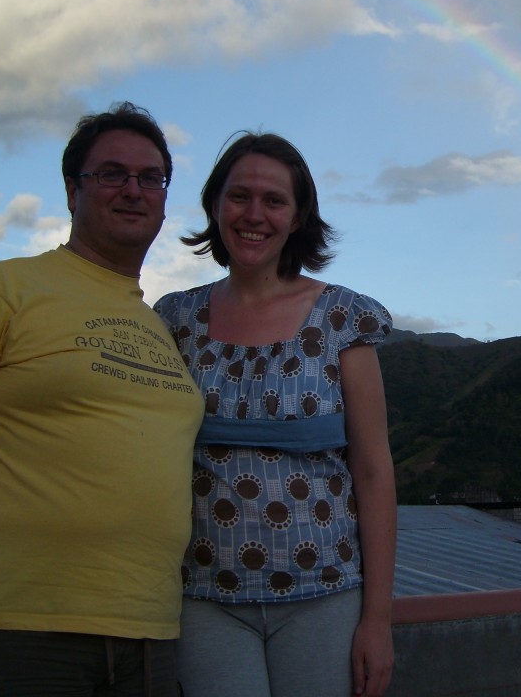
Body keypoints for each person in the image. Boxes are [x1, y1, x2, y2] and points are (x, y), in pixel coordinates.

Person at [0, 102, 205, 697]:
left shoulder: (161, 328)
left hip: (147, 636)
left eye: (150, 177)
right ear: (71, 191)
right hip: (10, 631)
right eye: (111, 174)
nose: (133, 190)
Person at [154, 132, 396, 697]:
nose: (254, 214)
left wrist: (378, 621)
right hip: (204, 599)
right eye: (239, 197)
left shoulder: (343, 317)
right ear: (215, 206)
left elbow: (375, 471)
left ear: (297, 216)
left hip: (326, 596)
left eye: (274, 200)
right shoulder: (175, 319)